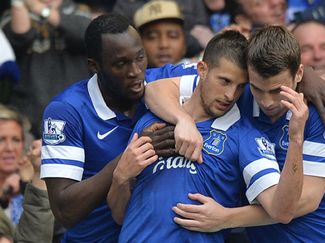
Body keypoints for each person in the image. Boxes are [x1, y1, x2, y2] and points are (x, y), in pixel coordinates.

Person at [145, 25, 325, 242]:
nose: (266, 101)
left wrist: (226, 218)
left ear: (299, 73)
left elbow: (304, 202)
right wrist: (183, 121)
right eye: (257, 88)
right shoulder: (235, 90)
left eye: (277, 91)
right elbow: (155, 89)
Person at [109, 29, 307, 242]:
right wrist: (120, 178)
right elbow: (120, 216)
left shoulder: (246, 136)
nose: (231, 95)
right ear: (202, 70)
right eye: (224, 81)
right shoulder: (150, 122)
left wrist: (296, 140)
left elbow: (282, 211)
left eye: (241, 87)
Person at [39, 14, 195, 242]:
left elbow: (220, 74)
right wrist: (128, 159)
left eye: (140, 58)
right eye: (120, 64)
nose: (135, 72)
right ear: (94, 66)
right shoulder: (66, 111)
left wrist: (184, 120)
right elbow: (65, 212)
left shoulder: (163, 82)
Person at [1, 0, 93, 136]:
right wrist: (20, 4)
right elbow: (19, 38)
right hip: (29, 114)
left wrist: (41, 10)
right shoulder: (12, 14)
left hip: (76, 111)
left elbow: (86, 34)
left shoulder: (78, 10)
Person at [133, 0, 188, 68]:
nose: (163, 45)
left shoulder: (199, 72)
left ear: (184, 43)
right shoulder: (130, 76)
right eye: (152, 37)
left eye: (173, 36)